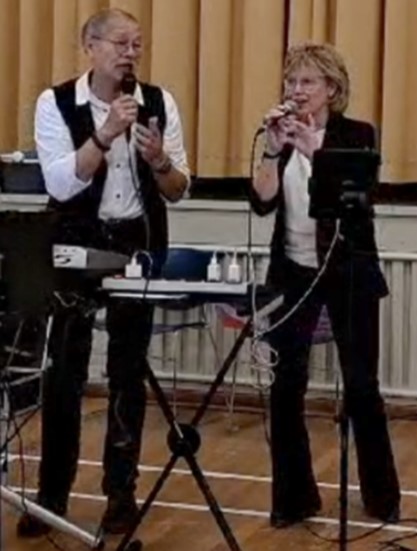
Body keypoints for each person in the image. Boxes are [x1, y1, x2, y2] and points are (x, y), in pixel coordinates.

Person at [17, 7, 190, 537]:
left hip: (136, 244)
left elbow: (179, 189)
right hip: (74, 243)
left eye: (137, 44)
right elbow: (60, 184)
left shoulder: (158, 102)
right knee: (63, 371)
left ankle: (121, 492)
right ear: (89, 46)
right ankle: (51, 495)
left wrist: (160, 162)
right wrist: (105, 133)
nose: (130, 53)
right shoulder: (55, 103)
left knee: (127, 372)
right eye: (119, 43)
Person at [249, 42, 400, 528]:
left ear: (331, 89)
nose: (297, 91)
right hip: (293, 273)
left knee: (361, 387)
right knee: (285, 387)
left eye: (307, 82)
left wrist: (314, 149)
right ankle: (294, 498)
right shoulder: (280, 135)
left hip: (348, 273)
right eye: (291, 82)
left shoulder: (357, 134)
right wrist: (273, 150)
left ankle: (381, 497)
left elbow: (357, 198)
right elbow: (262, 201)